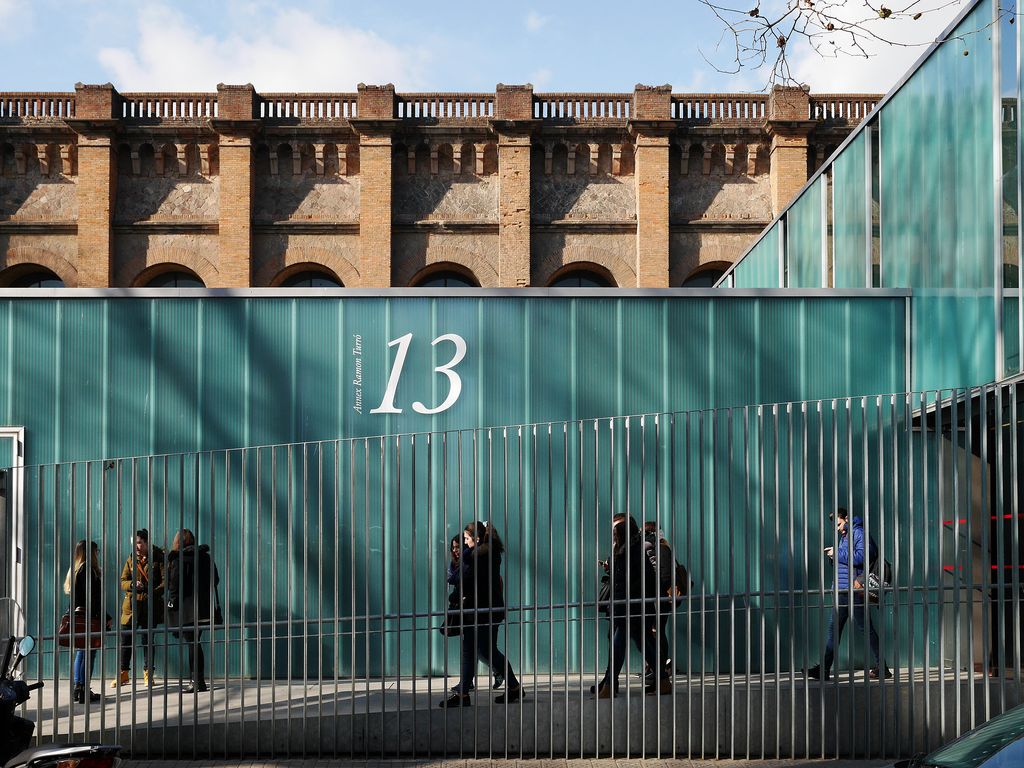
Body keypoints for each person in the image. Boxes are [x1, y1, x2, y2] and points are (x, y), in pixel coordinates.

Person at [439, 521, 520, 708]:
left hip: (480, 613)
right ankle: (511, 687)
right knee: (483, 651)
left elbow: (458, 578)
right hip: (485, 611)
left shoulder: (477, 556)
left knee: (478, 651)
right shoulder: (487, 553)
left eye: (466, 539)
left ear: (476, 539)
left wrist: (454, 593)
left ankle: (465, 693)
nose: (464, 543)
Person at [808, 508, 892, 681]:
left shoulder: (859, 532)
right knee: (834, 631)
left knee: (865, 630)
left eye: (839, 524)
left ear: (846, 518)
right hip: (842, 591)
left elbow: (863, 556)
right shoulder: (846, 535)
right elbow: (846, 562)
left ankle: (882, 668)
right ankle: (824, 669)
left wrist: (837, 553)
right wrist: (833, 557)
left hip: (854, 591)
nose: (838, 528)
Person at [593, 514, 670, 698]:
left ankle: (610, 685)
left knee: (619, 645)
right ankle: (662, 681)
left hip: (632, 609)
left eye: (616, 533)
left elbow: (647, 579)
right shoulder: (621, 551)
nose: (613, 536)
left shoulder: (634, 552)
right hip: (626, 608)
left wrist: (629, 595)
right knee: (645, 646)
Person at [165, 529, 221, 693]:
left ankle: (196, 681)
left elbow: (175, 585)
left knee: (192, 644)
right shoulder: (205, 557)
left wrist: (171, 603)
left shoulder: (179, 558)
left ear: (178, 542)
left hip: (187, 610)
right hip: (203, 609)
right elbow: (215, 579)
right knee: (195, 642)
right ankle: (199, 680)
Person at [111, 529, 164, 688]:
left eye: (139, 543)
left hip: (149, 605)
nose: (136, 546)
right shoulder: (131, 559)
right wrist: (133, 584)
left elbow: (165, 582)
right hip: (131, 607)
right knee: (126, 640)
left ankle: (148, 674)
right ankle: (123, 673)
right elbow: (123, 581)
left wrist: (151, 591)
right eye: (134, 543)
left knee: (147, 641)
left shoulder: (158, 558)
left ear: (147, 542)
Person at [64, 540, 102, 703]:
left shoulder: (77, 569)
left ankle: (78, 689)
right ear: (90, 553)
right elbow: (92, 598)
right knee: (89, 652)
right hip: (89, 617)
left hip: (79, 617)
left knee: (81, 651)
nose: (97, 554)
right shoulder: (88, 570)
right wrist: (105, 616)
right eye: (96, 551)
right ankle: (84, 690)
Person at [642, 521, 680, 684]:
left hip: (660, 598)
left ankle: (661, 667)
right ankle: (655, 667)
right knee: (652, 632)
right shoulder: (651, 549)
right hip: (653, 597)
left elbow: (665, 576)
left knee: (656, 631)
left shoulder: (662, 549)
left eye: (643, 533)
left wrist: (656, 593)